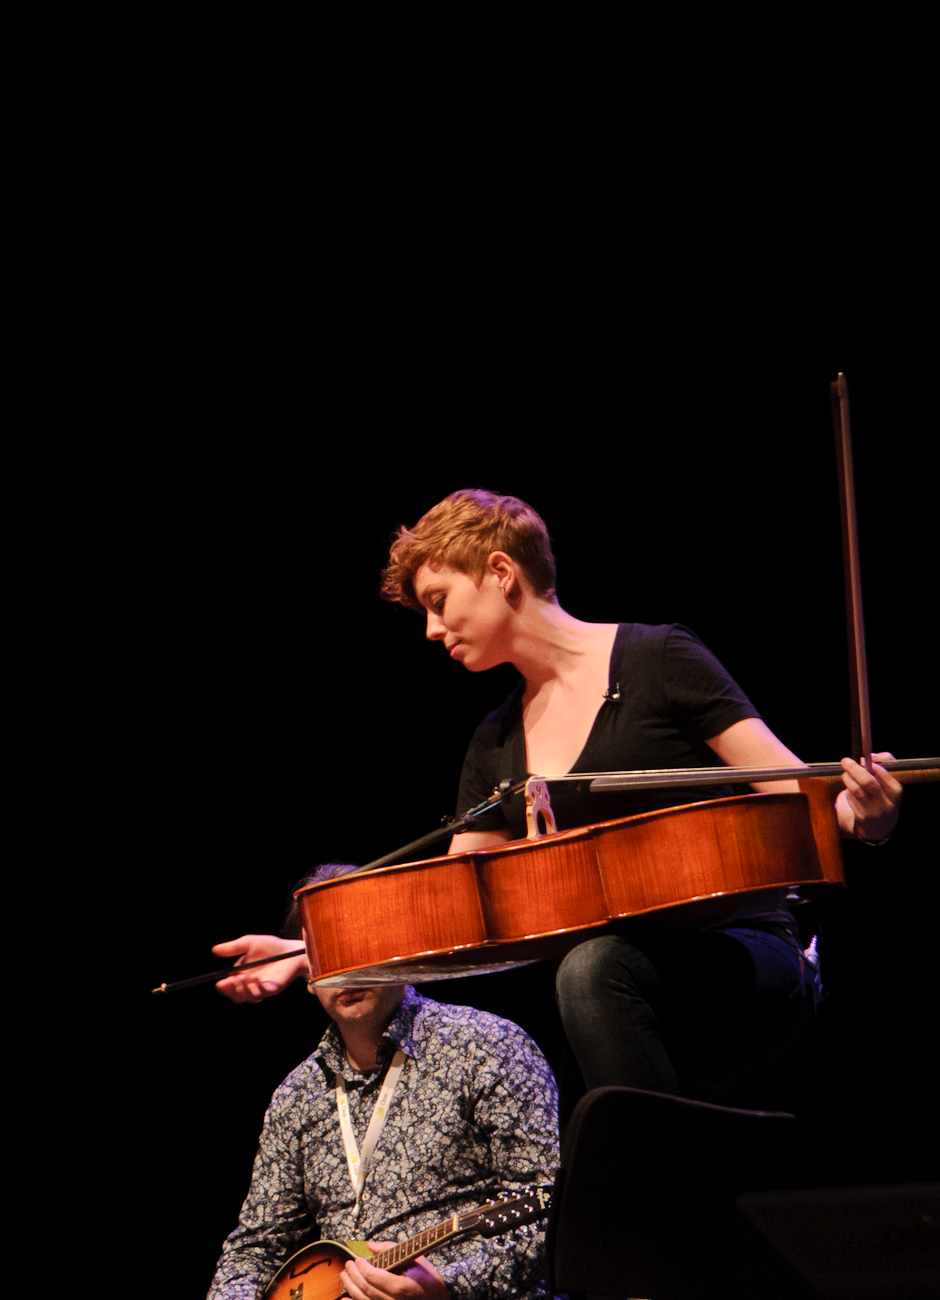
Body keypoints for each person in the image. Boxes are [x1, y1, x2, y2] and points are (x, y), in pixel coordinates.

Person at [213, 489, 903, 1103]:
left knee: (592, 973)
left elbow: (799, 792)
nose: (430, 629)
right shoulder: (495, 743)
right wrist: (311, 952)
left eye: (438, 601)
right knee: (586, 1073)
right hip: (621, 991)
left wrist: (861, 814)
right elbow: (445, 908)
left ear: (501, 574)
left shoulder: (657, 659)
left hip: (746, 957)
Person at [208, 866, 559, 1300]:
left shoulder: (487, 1047)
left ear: (398, 947)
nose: (344, 968)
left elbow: (549, 1213)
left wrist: (445, 1287)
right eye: (325, 951)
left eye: (358, 941)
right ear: (306, 977)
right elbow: (255, 1249)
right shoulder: (297, 1096)